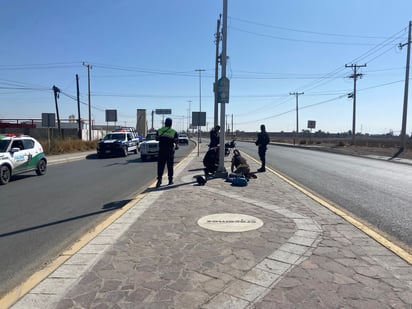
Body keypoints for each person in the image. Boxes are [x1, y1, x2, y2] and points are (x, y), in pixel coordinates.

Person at [156, 118, 179, 188]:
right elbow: (176, 142)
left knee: (160, 166)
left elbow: (156, 138)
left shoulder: (159, 130)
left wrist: (163, 138)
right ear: (171, 124)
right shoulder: (174, 132)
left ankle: (159, 180)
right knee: (170, 166)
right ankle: (170, 180)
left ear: (165, 123)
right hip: (170, 151)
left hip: (161, 150)